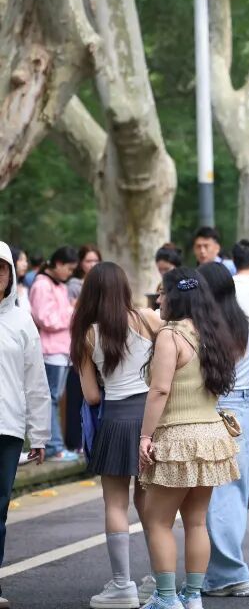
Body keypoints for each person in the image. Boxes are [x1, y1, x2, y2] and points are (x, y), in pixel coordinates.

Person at [137, 268, 242, 609]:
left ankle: (166, 599)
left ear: (176, 296)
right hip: (211, 435)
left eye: (163, 293)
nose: (159, 300)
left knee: (156, 520)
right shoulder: (213, 333)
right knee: (196, 521)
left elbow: (161, 389)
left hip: (178, 437)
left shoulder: (170, 335)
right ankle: (192, 596)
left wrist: (145, 435)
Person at [71, 262, 163, 608]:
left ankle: (121, 586)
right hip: (151, 421)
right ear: (124, 288)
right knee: (151, 503)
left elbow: (92, 396)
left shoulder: (87, 334)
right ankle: (158, 580)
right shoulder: (147, 319)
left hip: (115, 420)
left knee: (115, 503)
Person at [192, 262, 249, 599]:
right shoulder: (248, 327)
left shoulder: (200, 330)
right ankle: (218, 572)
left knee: (218, 498)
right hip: (248, 412)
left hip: (216, 410)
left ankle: (232, 574)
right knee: (234, 496)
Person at [0, 241, 50, 609]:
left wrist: (40, 433)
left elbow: (36, 382)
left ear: (11, 276)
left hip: (8, 428)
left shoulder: (21, 321)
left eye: (1, 269)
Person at [29, 246, 79, 462]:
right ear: (58, 264)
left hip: (62, 350)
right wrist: (71, 311)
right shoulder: (42, 285)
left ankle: (54, 446)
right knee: (50, 399)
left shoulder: (58, 285)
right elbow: (46, 319)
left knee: (54, 399)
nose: (70, 273)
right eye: (69, 268)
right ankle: (54, 447)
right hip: (51, 351)